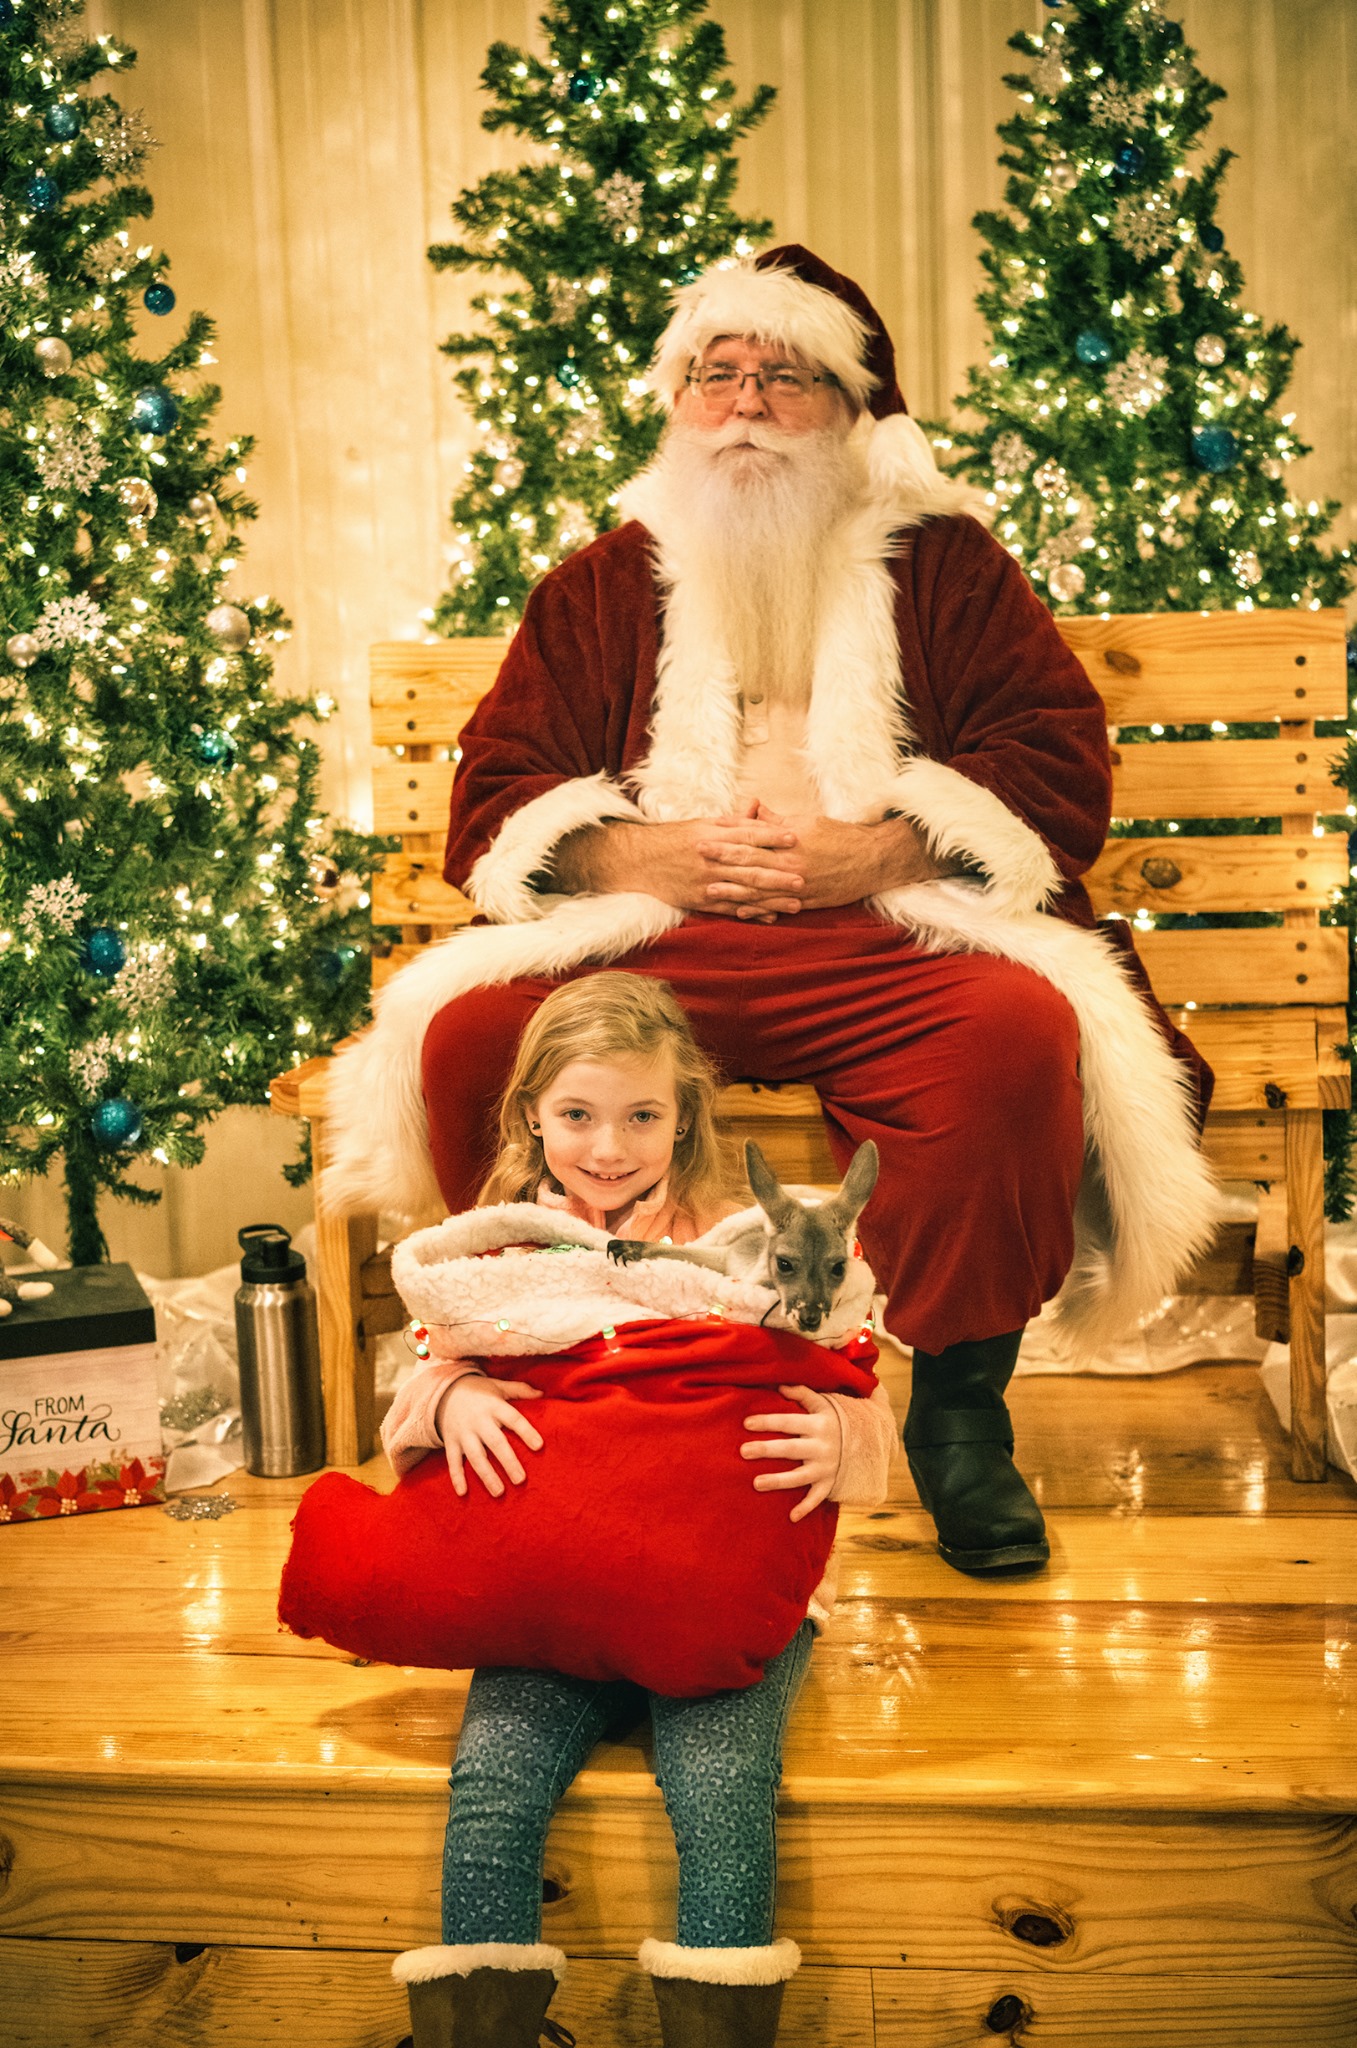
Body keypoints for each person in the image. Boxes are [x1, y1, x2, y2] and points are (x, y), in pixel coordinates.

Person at [327, 243, 1217, 1581]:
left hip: (888, 934)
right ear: (678, 402)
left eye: (785, 377)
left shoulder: (949, 570)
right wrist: (642, 854)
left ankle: (960, 1421)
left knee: (1016, 1037)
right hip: (652, 942)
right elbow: (499, 787)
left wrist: (885, 848)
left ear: (852, 411)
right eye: (717, 374)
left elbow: (1052, 754)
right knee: (472, 1038)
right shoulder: (602, 582)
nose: (745, 404)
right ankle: (547, 1354)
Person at [381, 973, 896, 2048]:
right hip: (553, 1603)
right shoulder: (496, 1253)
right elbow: (413, 1398)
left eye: (641, 1116)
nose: (608, 1147)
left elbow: (856, 1382)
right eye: (577, 1113)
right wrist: (451, 1396)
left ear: (684, 1118)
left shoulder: (747, 1243)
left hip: (718, 1600)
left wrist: (841, 1440)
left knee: (721, 1785)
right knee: (492, 1783)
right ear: (531, 1112)